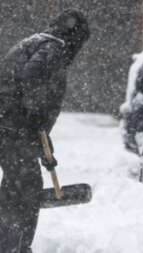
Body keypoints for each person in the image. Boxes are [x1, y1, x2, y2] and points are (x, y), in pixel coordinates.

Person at [0, 9, 90, 252]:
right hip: (13, 127)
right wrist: (35, 115)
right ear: (76, 38)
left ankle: (9, 243)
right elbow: (31, 78)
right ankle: (14, 247)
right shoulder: (53, 48)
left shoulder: (34, 42)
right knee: (26, 188)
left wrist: (41, 142)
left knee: (14, 185)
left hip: (10, 126)